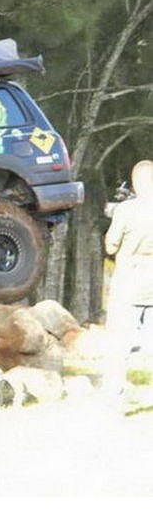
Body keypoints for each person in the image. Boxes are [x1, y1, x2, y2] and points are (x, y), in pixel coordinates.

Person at [103, 159, 153, 397]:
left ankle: (114, 396)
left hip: (128, 285)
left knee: (118, 344)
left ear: (135, 183)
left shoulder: (126, 210)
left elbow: (111, 246)